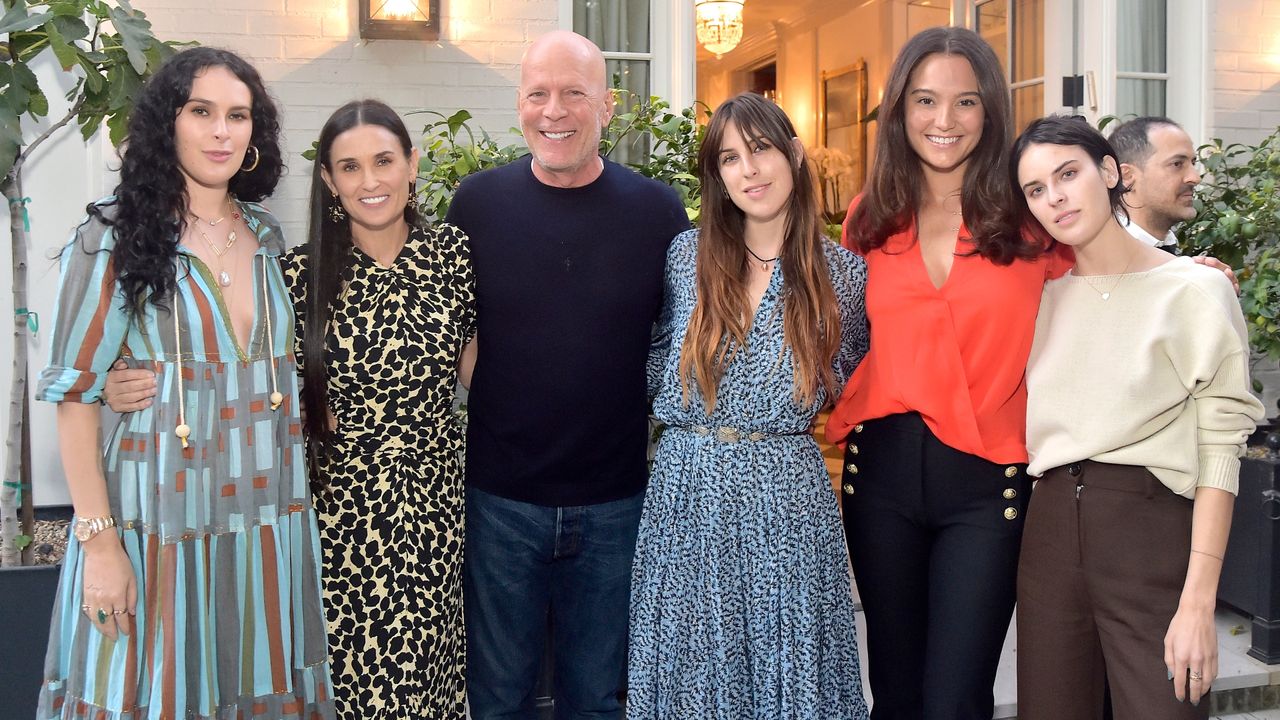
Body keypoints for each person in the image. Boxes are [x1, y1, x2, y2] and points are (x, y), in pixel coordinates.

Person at [824, 28, 1238, 720]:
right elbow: (847, 333)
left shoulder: (1025, 214)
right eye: (926, 100)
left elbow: (1103, 258)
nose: (945, 121)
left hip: (990, 484)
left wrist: (1179, 267)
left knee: (956, 700)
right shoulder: (872, 214)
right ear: (900, 109)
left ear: (990, 112)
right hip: (881, 473)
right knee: (893, 696)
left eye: (965, 102)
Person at [35, 47, 334, 719]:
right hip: (158, 521)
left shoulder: (266, 233)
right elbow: (75, 399)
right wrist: (101, 544)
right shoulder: (110, 235)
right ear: (167, 124)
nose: (222, 132)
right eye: (202, 112)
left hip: (264, 514)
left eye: (238, 115)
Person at [442, 30, 689, 720]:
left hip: (616, 502)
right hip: (500, 502)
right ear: (519, 104)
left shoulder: (658, 213)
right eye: (539, 94)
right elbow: (450, 325)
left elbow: (678, 339)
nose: (556, 110)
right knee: (497, 699)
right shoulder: (475, 206)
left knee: (597, 700)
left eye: (574, 93)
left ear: (606, 106)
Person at [627, 92, 870, 719]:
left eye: (761, 149)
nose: (750, 170)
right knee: (691, 675)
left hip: (786, 498)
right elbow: (649, 362)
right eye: (730, 158)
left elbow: (857, 383)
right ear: (718, 177)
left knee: (790, 671)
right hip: (687, 497)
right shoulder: (685, 258)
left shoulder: (841, 274)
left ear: (793, 154)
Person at [1012, 115, 1264, 719]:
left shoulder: (1195, 291)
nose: (1056, 198)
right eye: (1036, 189)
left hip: (1151, 530)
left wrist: (1199, 603)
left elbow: (1221, 449)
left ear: (1109, 173)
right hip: (1047, 533)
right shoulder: (1039, 297)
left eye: (1067, 174)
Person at [281, 100, 476, 719]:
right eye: (350, 167)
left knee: (434, 680)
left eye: (385, 161)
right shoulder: (297, 274)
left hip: (438, 502)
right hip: (344, 517)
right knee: (359, 685)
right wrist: (133, 378)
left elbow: (488, 367)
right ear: (329, 180)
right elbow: (253, 381)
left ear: (412, 164)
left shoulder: (454, 255)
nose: (371, 182)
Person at [1108, 116, 1200, 250]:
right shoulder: (1105, 258)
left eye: (1193, 163)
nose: (1195, 177)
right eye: (1177, 164)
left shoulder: (1166, 248)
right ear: (1126, 176)